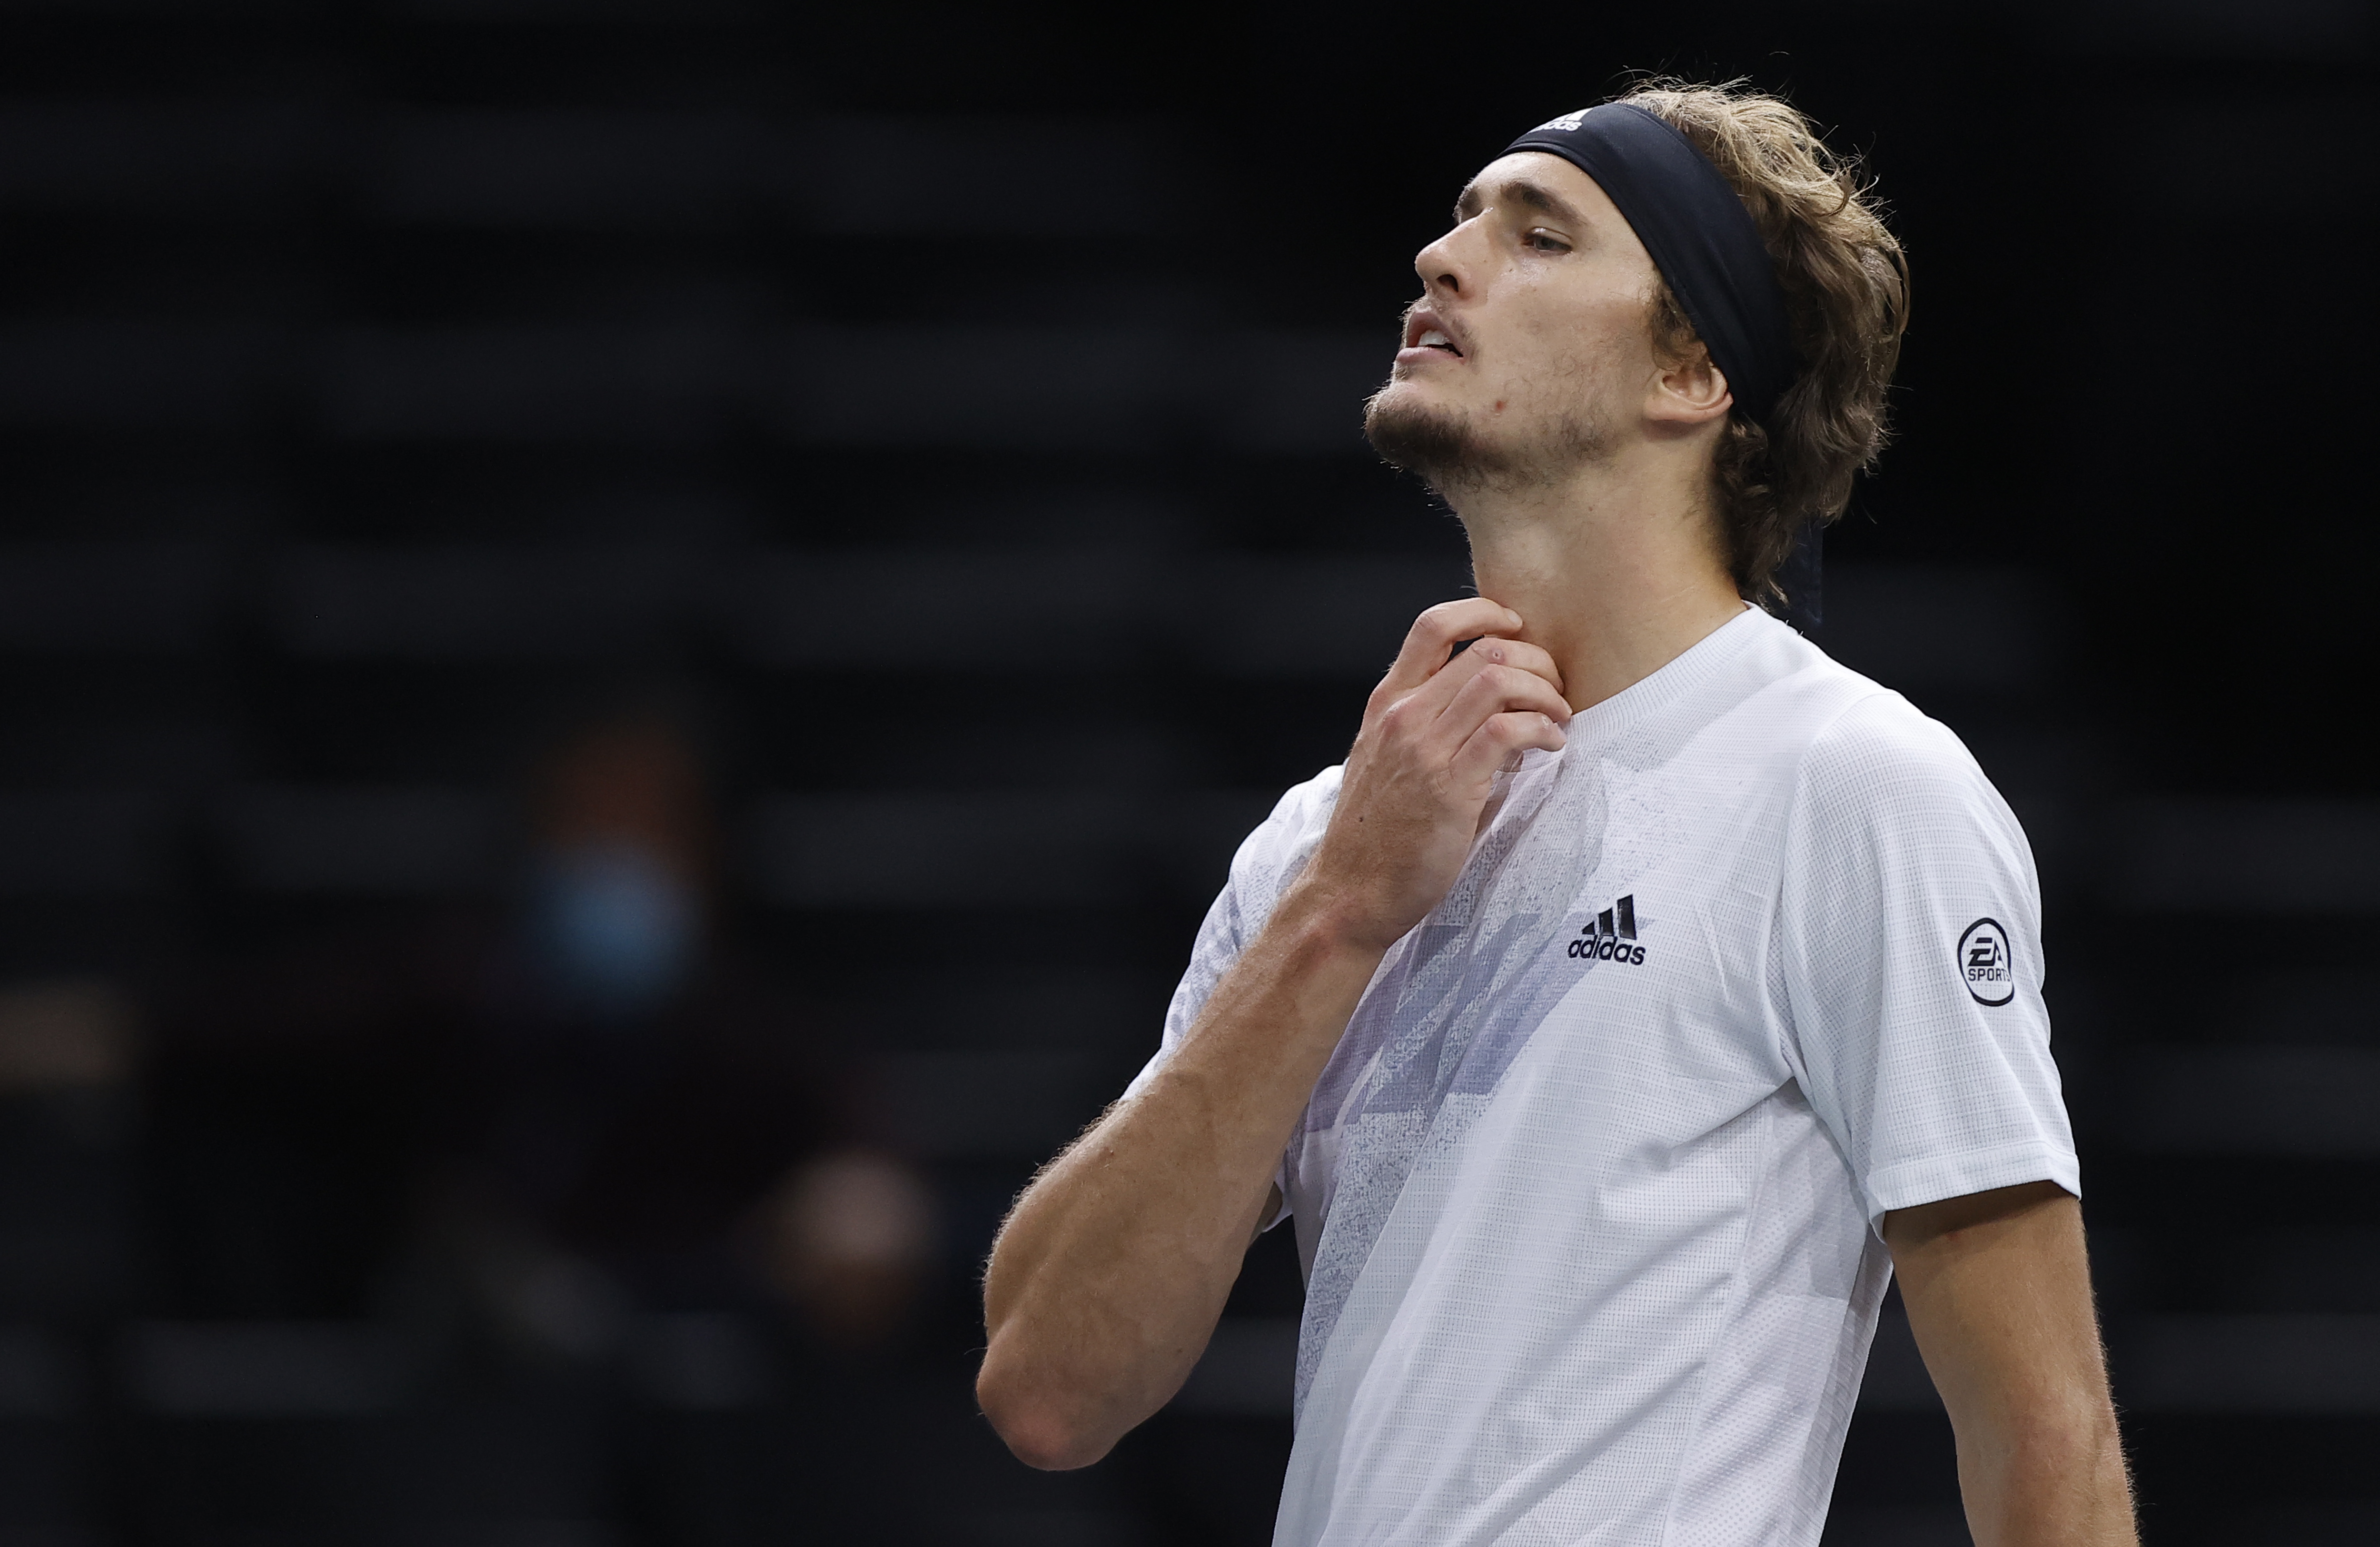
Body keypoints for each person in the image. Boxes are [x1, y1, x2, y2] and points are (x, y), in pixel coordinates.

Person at [977, 81, 2136, 1546]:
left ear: (1692, 371)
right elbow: (1051, 1384)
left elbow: (2045, 1431)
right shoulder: (1325, 841)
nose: (1443, 261)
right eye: (1459, 222)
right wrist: (1340, 910)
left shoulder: (1854, 787)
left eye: (1537, 235)